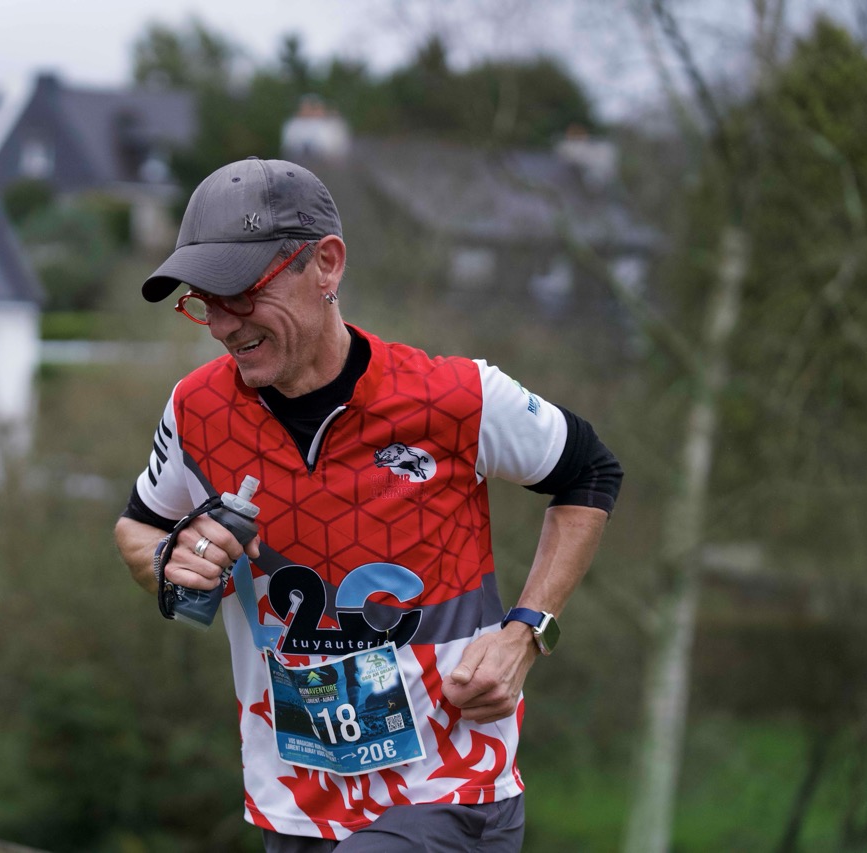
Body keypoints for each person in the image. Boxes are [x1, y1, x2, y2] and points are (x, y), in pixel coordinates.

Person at [114, 157, 622, 852]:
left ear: (326, 264)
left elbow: (591, 472)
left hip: (448, 789)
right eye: (204, 300)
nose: (222, 324)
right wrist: (171, 560)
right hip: (293, 803)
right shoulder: (195, 410)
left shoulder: (457, 397)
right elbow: (138, 529)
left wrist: (527, 631)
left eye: (241, 292)